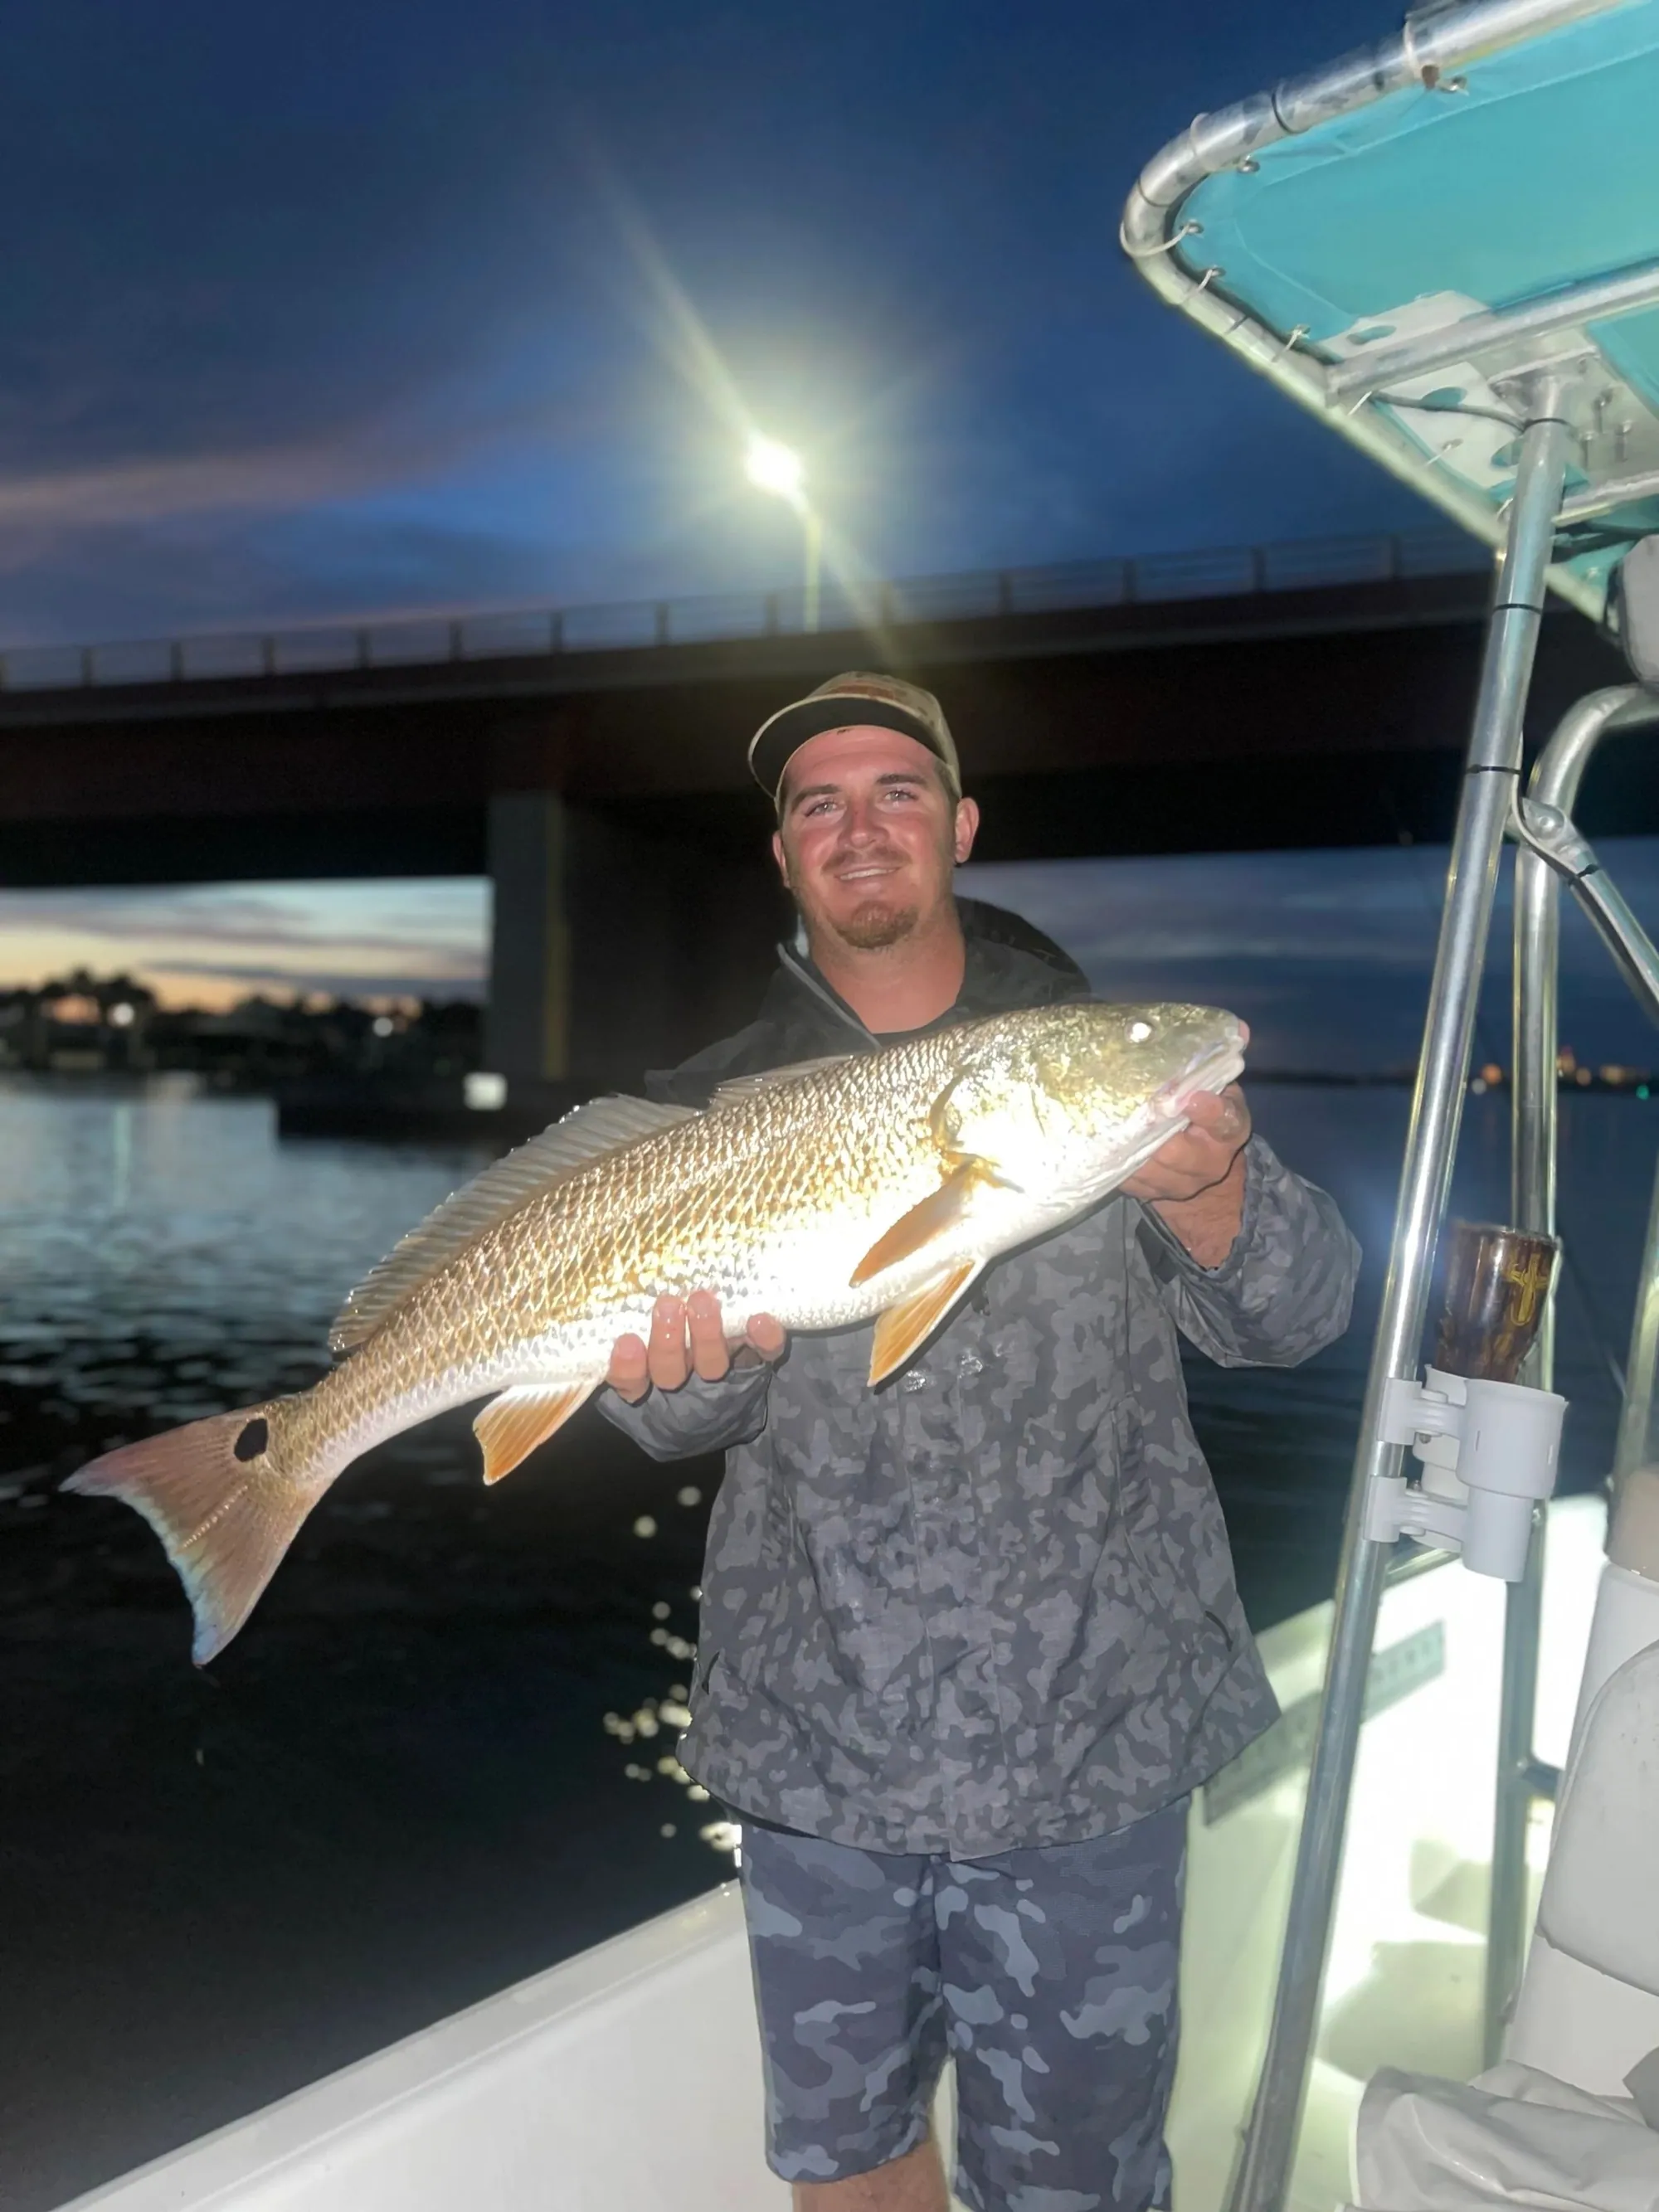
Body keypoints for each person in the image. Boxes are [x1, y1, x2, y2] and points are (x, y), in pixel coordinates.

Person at [597, 671, 1360, 2212]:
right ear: (786, 854)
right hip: (826, 1747)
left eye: (894, 790)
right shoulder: (708, 1110)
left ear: (958, 825)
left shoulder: (1088, 1074)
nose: (858, 824)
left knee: (1078, 2185)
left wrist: (1216, 1203)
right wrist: (678, 1376)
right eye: (818, 801)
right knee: (850, 2164)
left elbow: (1300, 1318)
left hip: (1090, 1742)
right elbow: (664, 1417)